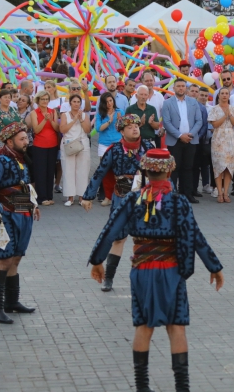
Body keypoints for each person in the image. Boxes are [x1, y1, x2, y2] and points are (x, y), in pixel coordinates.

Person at [87, 148, 224, 392]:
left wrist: (97, 260)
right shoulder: (179, 201)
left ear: (145, 171)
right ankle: (182, 387)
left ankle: (142, 387)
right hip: (172, 270)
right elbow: (195, 237)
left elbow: (110, 230)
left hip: (141, 270)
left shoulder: (132, 199)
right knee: (176, 326)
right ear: (170, 170)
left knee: (144, 325)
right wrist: (213, 266)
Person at [82, 114, 155, 292]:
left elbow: (160, 172)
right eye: (129, 127)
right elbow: (99, 173)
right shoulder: (114, 150)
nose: (134, 128)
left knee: (146, 238)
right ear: (121, 131)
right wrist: (88, 196)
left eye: (136, 125)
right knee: (118, 238)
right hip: (121, 197)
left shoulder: (148, 147)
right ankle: (108, 278)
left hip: (145, 198)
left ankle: (146, 278)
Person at [0, 123, 40, 325]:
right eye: (22, 139)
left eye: (26, 138)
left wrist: (33, 204)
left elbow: (25, 185)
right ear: (9, 141)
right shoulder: (0, 160)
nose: (26, 142)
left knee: (16, 257)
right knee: (4, 259)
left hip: (22, 211)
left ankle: (12, 302)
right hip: (4, 215)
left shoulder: (21, 159)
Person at [162, 79, 203, 203]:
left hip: (190, 140)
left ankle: (188, 194)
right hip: (175, 140)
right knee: (174, 168)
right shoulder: (167, 103)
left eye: (183, 86)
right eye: (178, 86)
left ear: (186, 88)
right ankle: (173, 194)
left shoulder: (193, 102)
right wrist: (180, 135)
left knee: (188, 167)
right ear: (174, 88)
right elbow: (167, 122)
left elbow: (199, 121)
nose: (181, 88)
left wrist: (190, 135)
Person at [208, 87, 234, 203]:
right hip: (218, 139)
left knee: (228, 166)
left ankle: (226, 192)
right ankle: (219, 193)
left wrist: (229, 115)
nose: (225, 95)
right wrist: (224, 116)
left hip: (230, 139)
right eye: (222, 93)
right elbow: (215, 124)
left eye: (227, 93)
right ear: (219, 95)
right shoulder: (214, 109)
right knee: (218, 165)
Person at [29, 90, 60, 206]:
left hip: (52, 145)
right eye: (43, 99)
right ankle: (41, 198)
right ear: (38, 100)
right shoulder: (34, 113)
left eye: (47, 99)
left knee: (50, 171)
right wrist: (45, 120)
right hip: (39, 146)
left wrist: (51, 120)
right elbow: (36, 130)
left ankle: (49, 196)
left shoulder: (53, 112)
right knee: (40, 172)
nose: (45, 101)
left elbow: (57, 128)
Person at [60, 94, 91, 206]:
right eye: (74, 102)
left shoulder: (84, 115)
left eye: (78, 102)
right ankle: (70, 197)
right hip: (69, 144)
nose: (76, 104)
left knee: (83, 170)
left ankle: (82, 197)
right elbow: (63, 129)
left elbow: (87, 129)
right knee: (68, 170)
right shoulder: (65, 115)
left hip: (82, 144)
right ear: (70, 103)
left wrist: (81, 119)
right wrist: (74, 120)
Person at [95, 91, 124, 206]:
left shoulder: (119, 112)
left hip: (117, 143)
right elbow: (98, 129)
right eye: (106, 102)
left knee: (118, 172)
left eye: (110, 101)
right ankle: (107, 196)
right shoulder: (100, 114)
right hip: (104, 144)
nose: (109, 104)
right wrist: (109, 121)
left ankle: (118, 197)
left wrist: (119, 121)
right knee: (105, 172)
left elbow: (123, 128)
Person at [130, 71, 165, 148]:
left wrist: (163, 128)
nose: (149, 83)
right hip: (138, 135)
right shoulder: (135, 97)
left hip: (155, 134)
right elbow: (130, 116)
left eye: (151, 80)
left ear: (154, 81)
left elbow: (165, 114)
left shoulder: (159, 96)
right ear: (142, 82)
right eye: (146, 81)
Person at [187, 84, 208, 198]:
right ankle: (183, 188)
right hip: (183, 140)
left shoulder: (202, 108)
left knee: (196, 166)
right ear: (188, 92)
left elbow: (204, 125)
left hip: (197, 141)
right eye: (192, 91)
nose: (194, 93)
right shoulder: (183, 105)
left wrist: (196, 136)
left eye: (196, 91)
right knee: (185, 166)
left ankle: (194, 189)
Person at [194, 87, 214, 196]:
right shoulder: (194, 106)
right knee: (195, 165)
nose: (204, 97)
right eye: (202, 95)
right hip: (196, 139)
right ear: (198, 95)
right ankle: (194, 186)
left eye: (206, 96)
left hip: (208, 140)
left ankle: (206, 185)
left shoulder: (211, 108)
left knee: (206, 164)